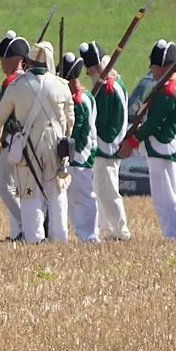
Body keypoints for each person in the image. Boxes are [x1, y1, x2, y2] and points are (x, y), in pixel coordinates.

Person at [0, 38, 72, 243]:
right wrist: (65, 140)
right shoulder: (61, 85)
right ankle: (59, 236)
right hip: (56, 142)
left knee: (28, 190)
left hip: (27, 142)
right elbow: (70, 121)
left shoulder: (17, 85)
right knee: (56, 190)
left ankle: (34, 237)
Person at [133, 41, 176, 241]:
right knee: (169, 196)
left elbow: (153, 123)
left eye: (154, 64)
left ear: (164, 66)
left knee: (166, 198)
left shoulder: (168, 91)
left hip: (162, 146)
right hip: (168, 145)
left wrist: (133, 140)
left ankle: (173, 235)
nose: (151, 68)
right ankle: (174, 234)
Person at [82, 42, 132, 241]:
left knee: (108, 191)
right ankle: (109, 229)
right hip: (107, 145)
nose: (89, 73)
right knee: (102, 190)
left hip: (106, 145)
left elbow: (101, 120)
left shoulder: (107, 88)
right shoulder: (113, 84)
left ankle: (121, 230)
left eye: (91, 68)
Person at [0, 32, 25, 240]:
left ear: (16, 58)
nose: (2, 63)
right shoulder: (20, 79)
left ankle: (24, 224)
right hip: (19, 140)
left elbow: (4, 112)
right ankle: (23, 228)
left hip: (12, 140)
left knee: (3, 186)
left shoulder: (11, 81)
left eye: (4, 58)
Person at [63, 51, 99, 242]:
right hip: (81, 154)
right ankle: (83, 234)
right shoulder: (84, 95)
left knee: (84, 197)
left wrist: (69, 152)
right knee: (75, 198)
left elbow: (77, 131)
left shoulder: (78, 100)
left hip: (79, 155)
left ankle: (90, 236)